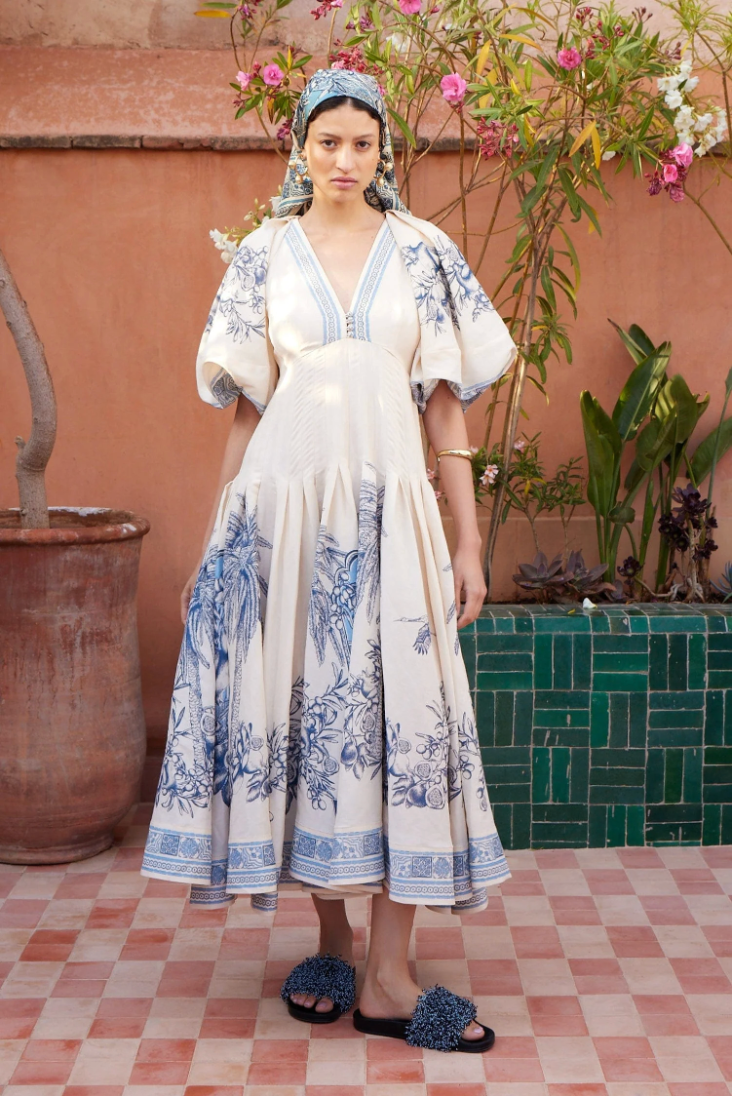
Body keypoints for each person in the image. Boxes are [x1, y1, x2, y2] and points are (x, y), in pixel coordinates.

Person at [141, 67, 518, 1053]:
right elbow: (247, 413)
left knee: (406, 722)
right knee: (309, 715)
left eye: (362, 143)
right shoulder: (264, 257)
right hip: (279, 521)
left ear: (383, 150)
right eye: (327, 142)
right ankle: (332, 939)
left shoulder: (425, 254)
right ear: (297, 149)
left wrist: (468, 541)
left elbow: (446, 408)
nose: (345, 160)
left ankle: (392, 975)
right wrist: (219, 532)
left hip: (393, 521)